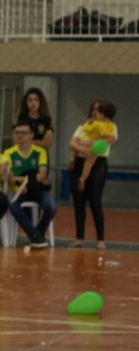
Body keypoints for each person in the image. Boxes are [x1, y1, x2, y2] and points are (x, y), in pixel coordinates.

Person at [68, 100, 118, 250]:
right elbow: (73, 143)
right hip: (80, 161)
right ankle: (79, 237)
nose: (95, 113)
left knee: (95, 200)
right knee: (78, 201)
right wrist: (82, 150)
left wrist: (85, 143)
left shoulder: (110, 126)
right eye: (94, 109)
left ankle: (100, 239)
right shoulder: (83, 127)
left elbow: (108, 140)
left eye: (99, 110)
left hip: (98, 163)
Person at [4, 119, 56, 248]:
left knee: (50, 207)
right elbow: (10, 177)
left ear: (31, 135)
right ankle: (35, 235)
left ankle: (38, 232)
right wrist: (21, 182)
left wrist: (22, 180)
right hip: (17, 190)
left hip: (37, 189)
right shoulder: (8, 153)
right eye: (17, 132)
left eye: (24, 132)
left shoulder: (40, 151)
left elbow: (42, 174)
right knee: (13, 205)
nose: (20, 135)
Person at [74, 100, 116, 192]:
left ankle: (83, 178)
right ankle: (83, 179)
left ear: (103, 114)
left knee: (88, 163)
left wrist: (87, 123)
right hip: (101, 148)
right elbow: (111, 138)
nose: (96, 114)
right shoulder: (111, 125)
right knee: (90, 162)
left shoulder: (97, 123)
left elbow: (87, 129)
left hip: (92, 148)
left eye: (99, 112)